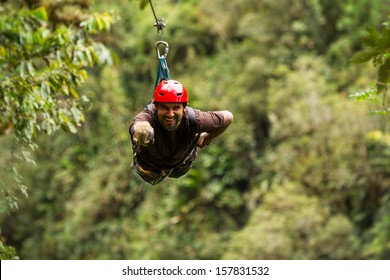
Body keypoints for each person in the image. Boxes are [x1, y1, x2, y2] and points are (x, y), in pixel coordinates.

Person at [129, 79, 233, 184]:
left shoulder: (195, 120)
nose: (170, 114)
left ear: (184, 107)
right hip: (148, 167)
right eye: (164, 107)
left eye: (176, 108)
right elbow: (138, 124)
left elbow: (228, 117)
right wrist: (141, 129)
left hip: (180, 167)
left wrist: (206, 137)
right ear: (156, 107)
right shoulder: (149, 116)